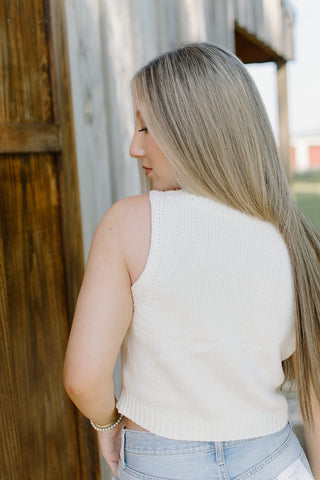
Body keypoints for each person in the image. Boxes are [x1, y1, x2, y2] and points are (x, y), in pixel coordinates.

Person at [63, 42, 320, 480]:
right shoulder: (295, 238)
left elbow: (84, 377)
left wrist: (106, 425)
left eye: (145, 129)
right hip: (276, 462)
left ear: (192, 130)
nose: (133, 148)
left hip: (159, 462)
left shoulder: (127, 224)